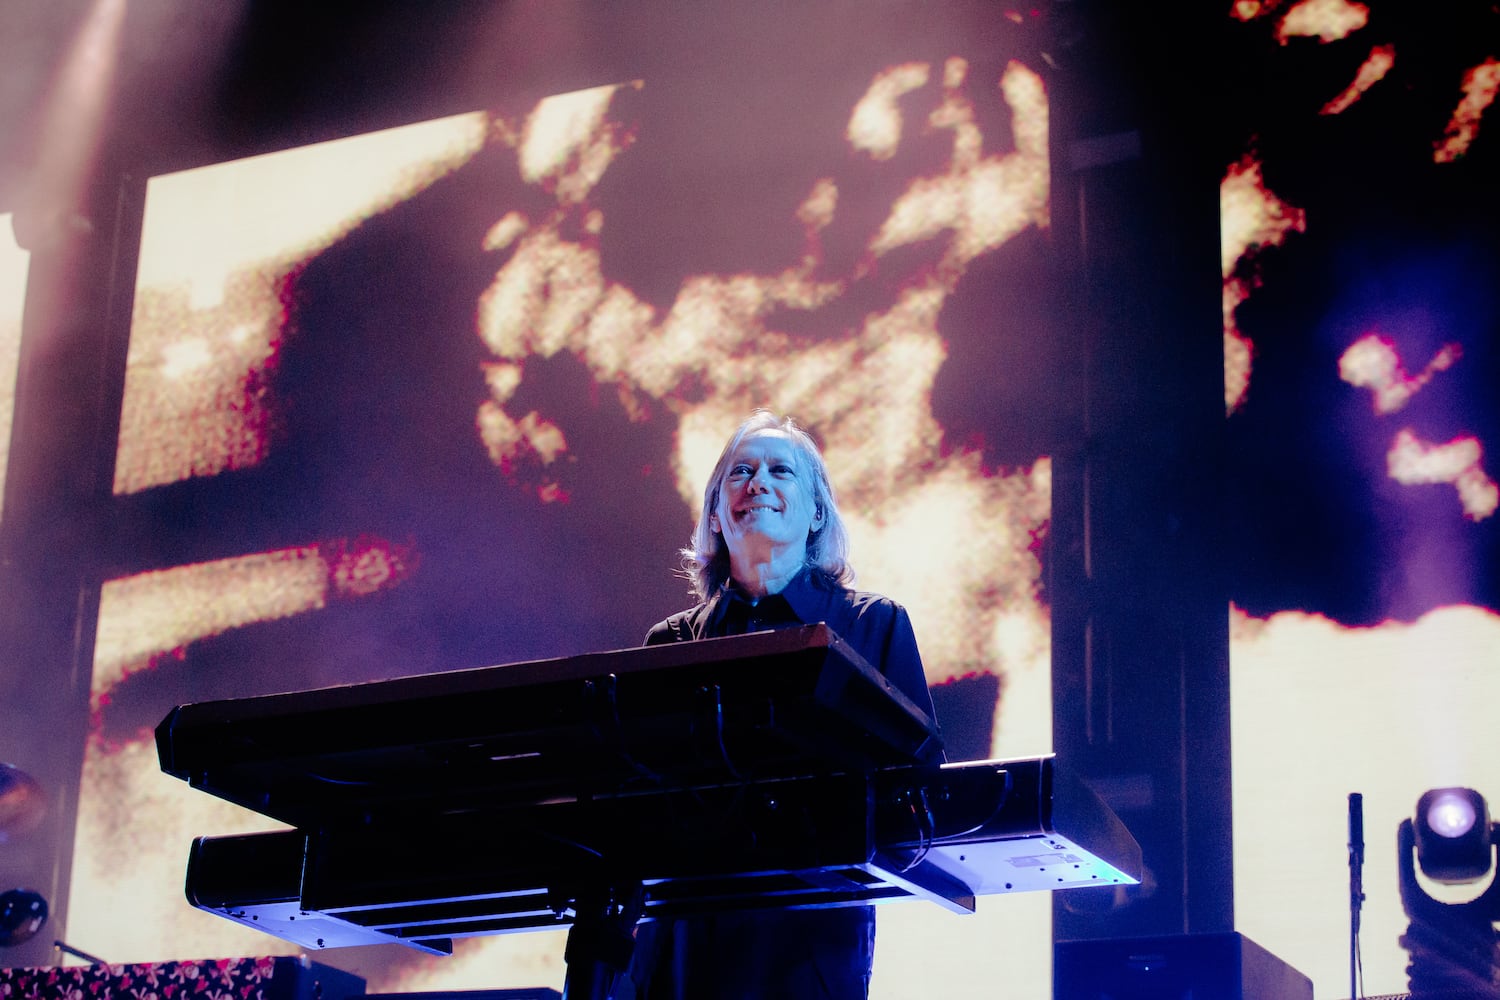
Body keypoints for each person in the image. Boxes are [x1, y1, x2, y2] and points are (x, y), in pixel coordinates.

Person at [627, 409, 941, 1000]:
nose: (758, 483)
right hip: (684, 949)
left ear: (816, 511)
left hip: (809, 944)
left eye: (780, 471)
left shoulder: (873, 625)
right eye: (740, 472)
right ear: (717, 514)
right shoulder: (670, 644)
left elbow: (916, 785)